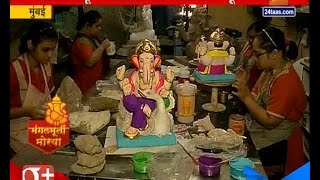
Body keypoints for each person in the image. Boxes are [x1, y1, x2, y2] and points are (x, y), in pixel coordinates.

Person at [232, 27, 307, 177]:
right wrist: (243, 85)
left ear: (274, 54)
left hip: (281, 145)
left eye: (258, 54)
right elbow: (255, 101)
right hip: (264, 135)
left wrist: (246, 96)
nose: (254, 58)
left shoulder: (286, 81)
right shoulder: (268, 72)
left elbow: (270, 121)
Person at [10, 21, 58, 154]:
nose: (49, 55)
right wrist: (27, 111)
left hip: (42, 129)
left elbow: (52, 99)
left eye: (52, 50)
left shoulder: (47, 67)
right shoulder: (15, 71)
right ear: (31, 44)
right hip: (18, 136)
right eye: (45, 49)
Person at [71, 10, 111, 94]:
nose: (99, 28)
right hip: (85, 87)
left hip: (94, 83)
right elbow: (90, 61)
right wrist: (102, 46)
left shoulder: (91, 37)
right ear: (87, 26)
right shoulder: (81, 41)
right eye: (97, 26)